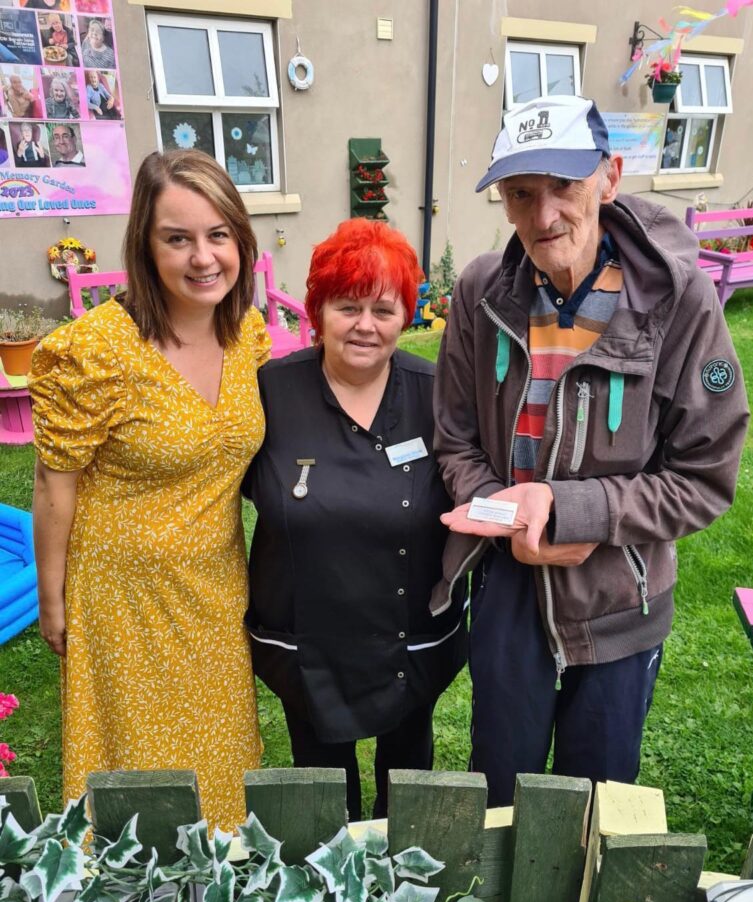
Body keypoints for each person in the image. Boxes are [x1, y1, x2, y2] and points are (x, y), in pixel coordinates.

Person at [433, 95, 750, 807]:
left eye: (564, 187)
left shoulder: (682, 303)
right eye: (521, 194)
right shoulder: (482, 292)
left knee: (593, 800)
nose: (544, 216)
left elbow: (703, 475)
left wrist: (573, 510)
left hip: (619, 594)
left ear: (609, 176)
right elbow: (453, 436)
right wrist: (508, 517)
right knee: (500, 791)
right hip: (508, 586)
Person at [29, 149, 271, 831]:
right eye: (178, 238)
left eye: (218, 234)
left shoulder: (244, 332)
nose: (203, 257)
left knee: (220, 761)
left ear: (240, 242)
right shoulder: (100, 349)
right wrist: (54, 600)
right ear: (145, 243)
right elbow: (53, 483)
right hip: (122, 598)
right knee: (138, 772)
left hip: (217, 589)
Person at [244, 219, 467, 821]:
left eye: (383, 309)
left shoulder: (436, 392)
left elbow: (479, 478)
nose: (365, 325)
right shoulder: (269, 393)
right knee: (323, 799)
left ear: (406, 316)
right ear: (316, 312)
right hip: (305, 640)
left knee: (408, 784)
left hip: (410, 634)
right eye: (347, 307)